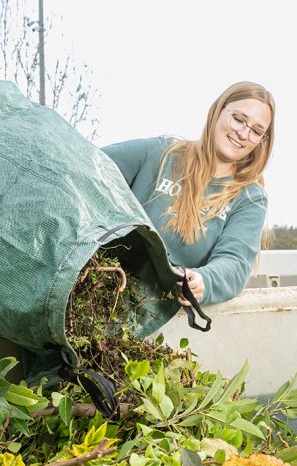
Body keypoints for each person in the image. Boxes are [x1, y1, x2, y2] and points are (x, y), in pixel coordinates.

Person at [102, 81, 274, 307]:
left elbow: (235, 261)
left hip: (163, 310)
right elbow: (89, 165)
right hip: (106, 287)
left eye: (256, 131)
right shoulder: (160, 155)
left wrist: (205, 281)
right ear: (218, 110)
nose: (243, 133)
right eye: (239, 119)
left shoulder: (250, 198)